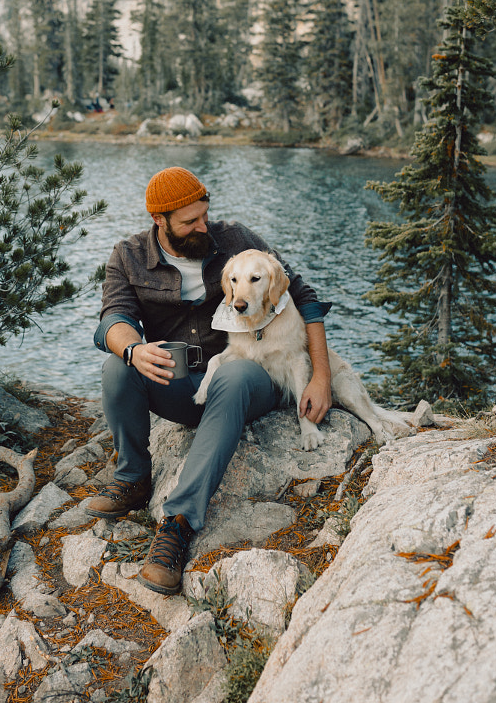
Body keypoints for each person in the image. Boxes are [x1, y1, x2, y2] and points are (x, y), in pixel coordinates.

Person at [85, 166, 332, 595]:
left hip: (245, 378)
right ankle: (133, 478)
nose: (204, 227)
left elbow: (304, 296)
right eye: (190, 222)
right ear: (159, 221)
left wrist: (321, 377)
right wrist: (134, 349)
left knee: (234, 374)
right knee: (117, 365)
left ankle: (178, 525)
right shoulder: (127, 255)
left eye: (205, 215)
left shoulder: (236, 239)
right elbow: (113, 320)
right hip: (179, 382)